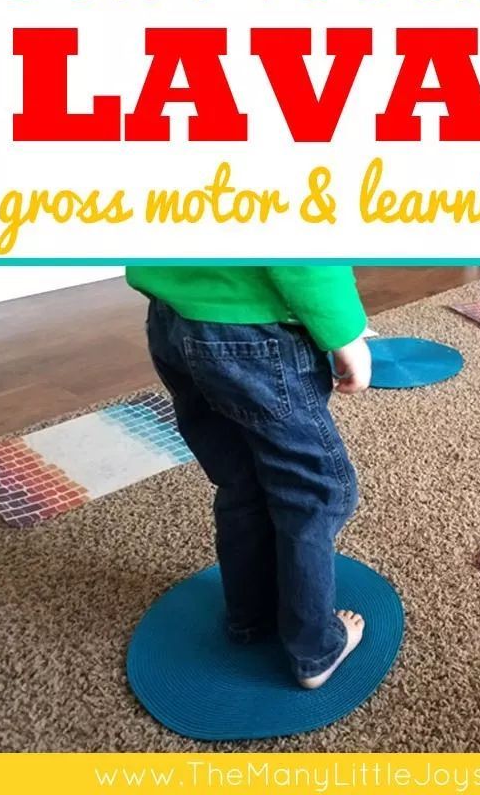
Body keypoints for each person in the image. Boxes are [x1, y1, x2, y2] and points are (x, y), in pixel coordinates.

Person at [126, 264, 372, 688]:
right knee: (315, 491)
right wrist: (345, 333)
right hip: (252, 335)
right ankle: (315, 650)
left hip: (172, 318)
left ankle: (250, 616)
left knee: (242, 479)